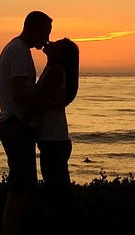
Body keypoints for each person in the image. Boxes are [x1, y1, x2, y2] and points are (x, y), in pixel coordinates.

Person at [0, 10, 52, 235]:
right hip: (16, 125)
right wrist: (47, 102)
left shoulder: (16, 49)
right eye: (45, 33)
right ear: (34, 28)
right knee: (19, 188)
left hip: (15, 124)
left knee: (23, 185)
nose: (47, 39)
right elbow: (19, 94)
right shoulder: (19, 52)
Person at [35, 37, 81, 223]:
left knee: (59, 197)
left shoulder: (55, 71)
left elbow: (37, 103)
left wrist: (21, 124)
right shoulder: (53, 70)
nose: (50, 42)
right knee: (60, 194)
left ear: (60, 54)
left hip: (53, 141)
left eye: (57, 43)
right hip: (54, 140)